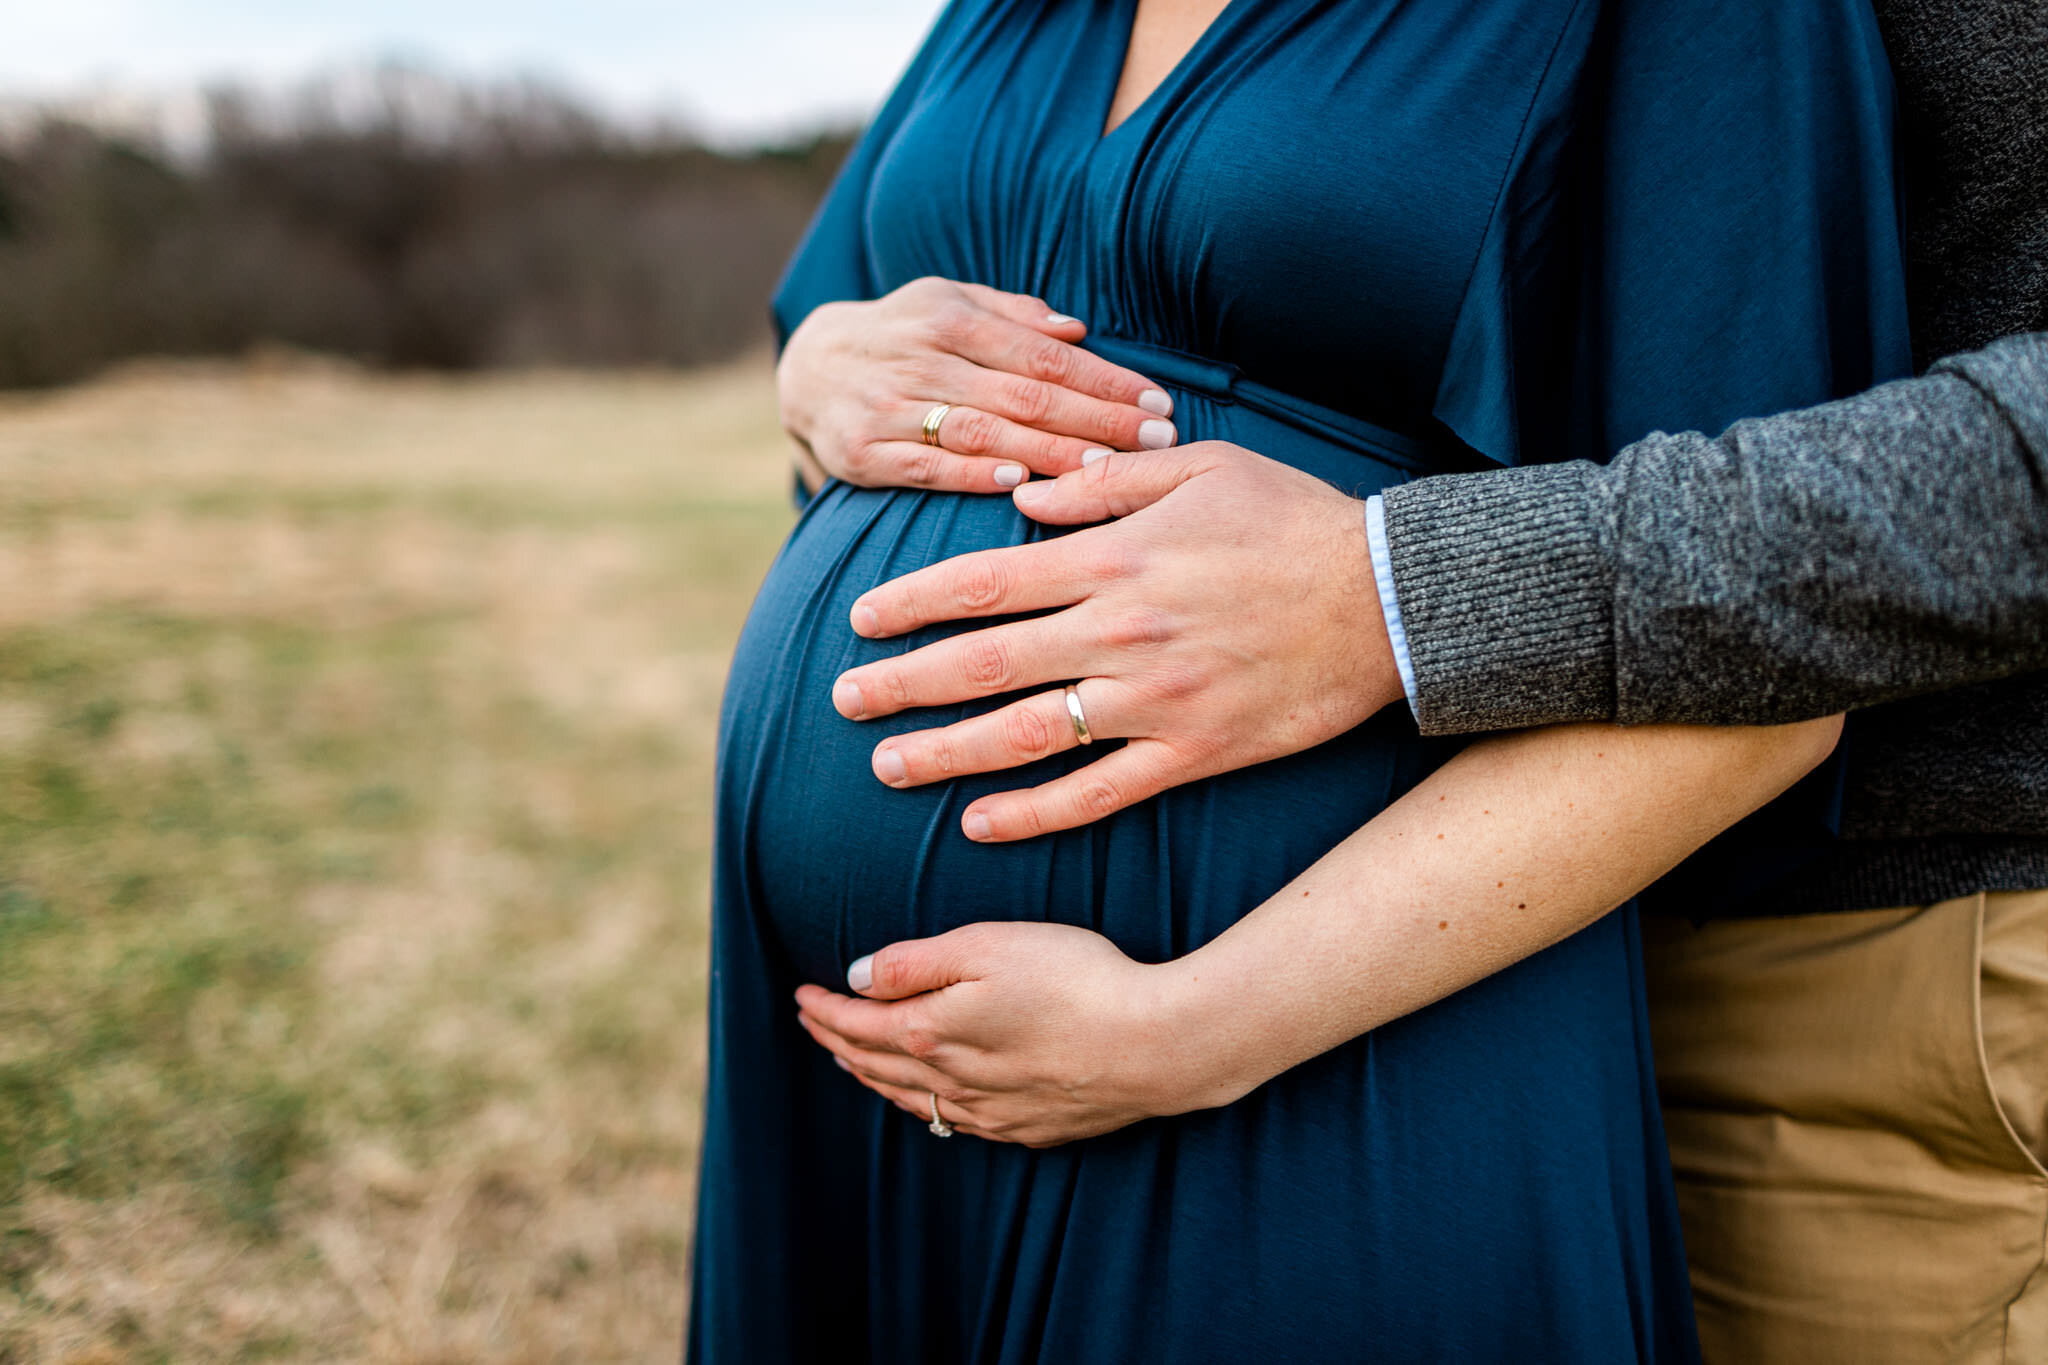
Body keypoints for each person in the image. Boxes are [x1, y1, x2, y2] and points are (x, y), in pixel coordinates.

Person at [790, 2, 2048, 1360]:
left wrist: (1391, 593)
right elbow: (862, 285)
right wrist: (819, 362)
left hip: (1858, 939)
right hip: (931, 1067)